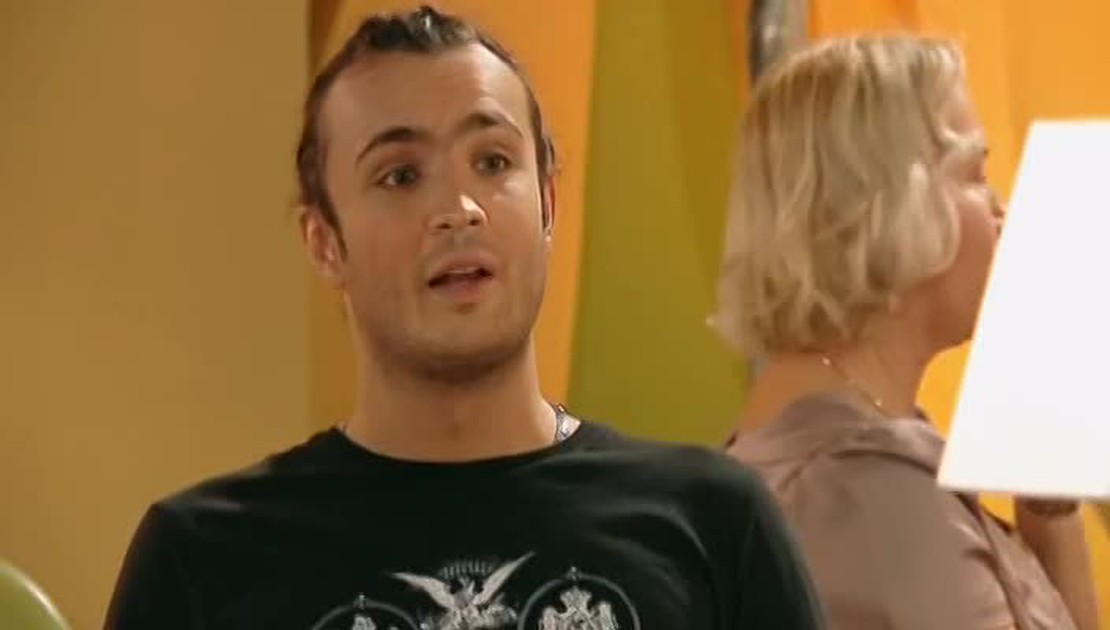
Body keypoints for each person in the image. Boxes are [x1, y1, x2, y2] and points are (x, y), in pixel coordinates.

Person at [105, 6, 823, 629]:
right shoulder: (205, 559)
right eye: (401, 175)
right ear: (325, 243)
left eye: (493, 161)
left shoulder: (713, 525)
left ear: (548, 202)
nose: (459, 209)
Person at [714, 34, 1101, 629]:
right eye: (975, 174)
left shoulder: (841, 446)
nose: (1001, 210)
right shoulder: (876, 498)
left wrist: (1046, 490)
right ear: (890, 201)